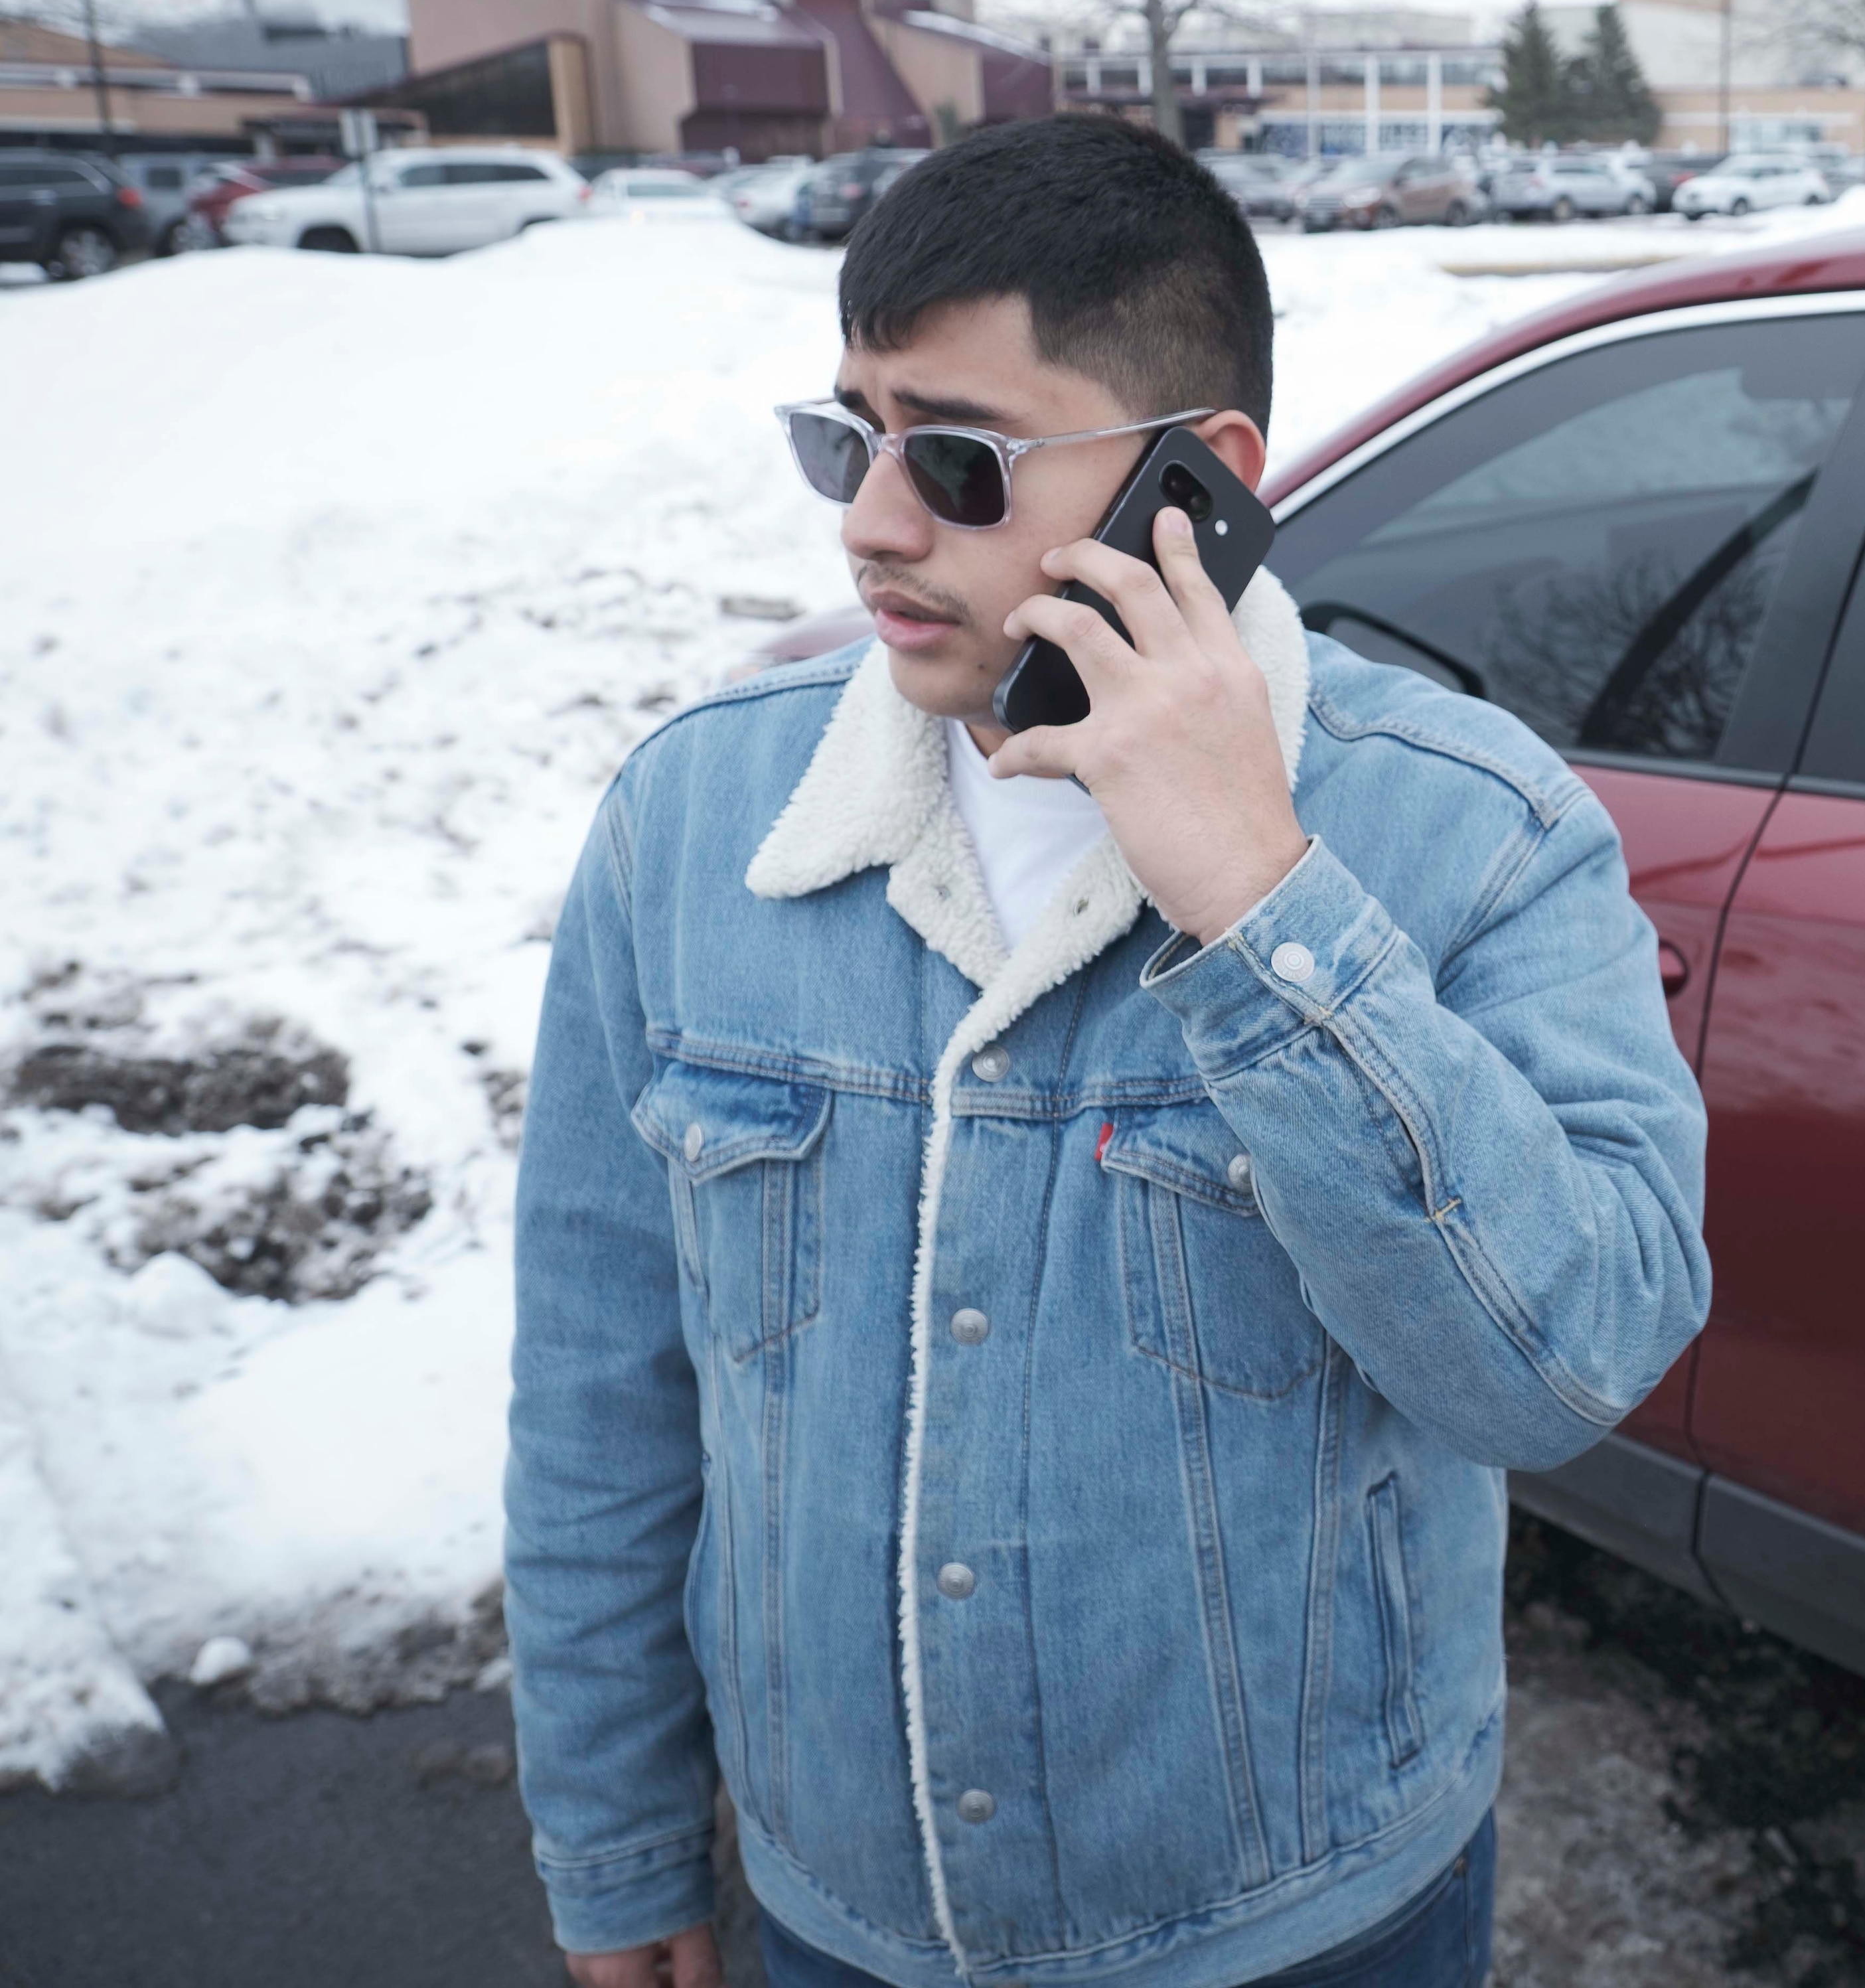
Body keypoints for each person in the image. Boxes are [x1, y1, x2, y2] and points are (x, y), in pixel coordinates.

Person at [506, 117, 1710, 1988]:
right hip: (843, 1912)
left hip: (1300, 1922)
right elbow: (601, 1379)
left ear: (1195, 480)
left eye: (960, 460)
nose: (870, 523)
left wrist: (1263, 899)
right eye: (850, 433)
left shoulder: (1471, 826)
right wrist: (617, 1825)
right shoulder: (695, 818)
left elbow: (1571, 1361)